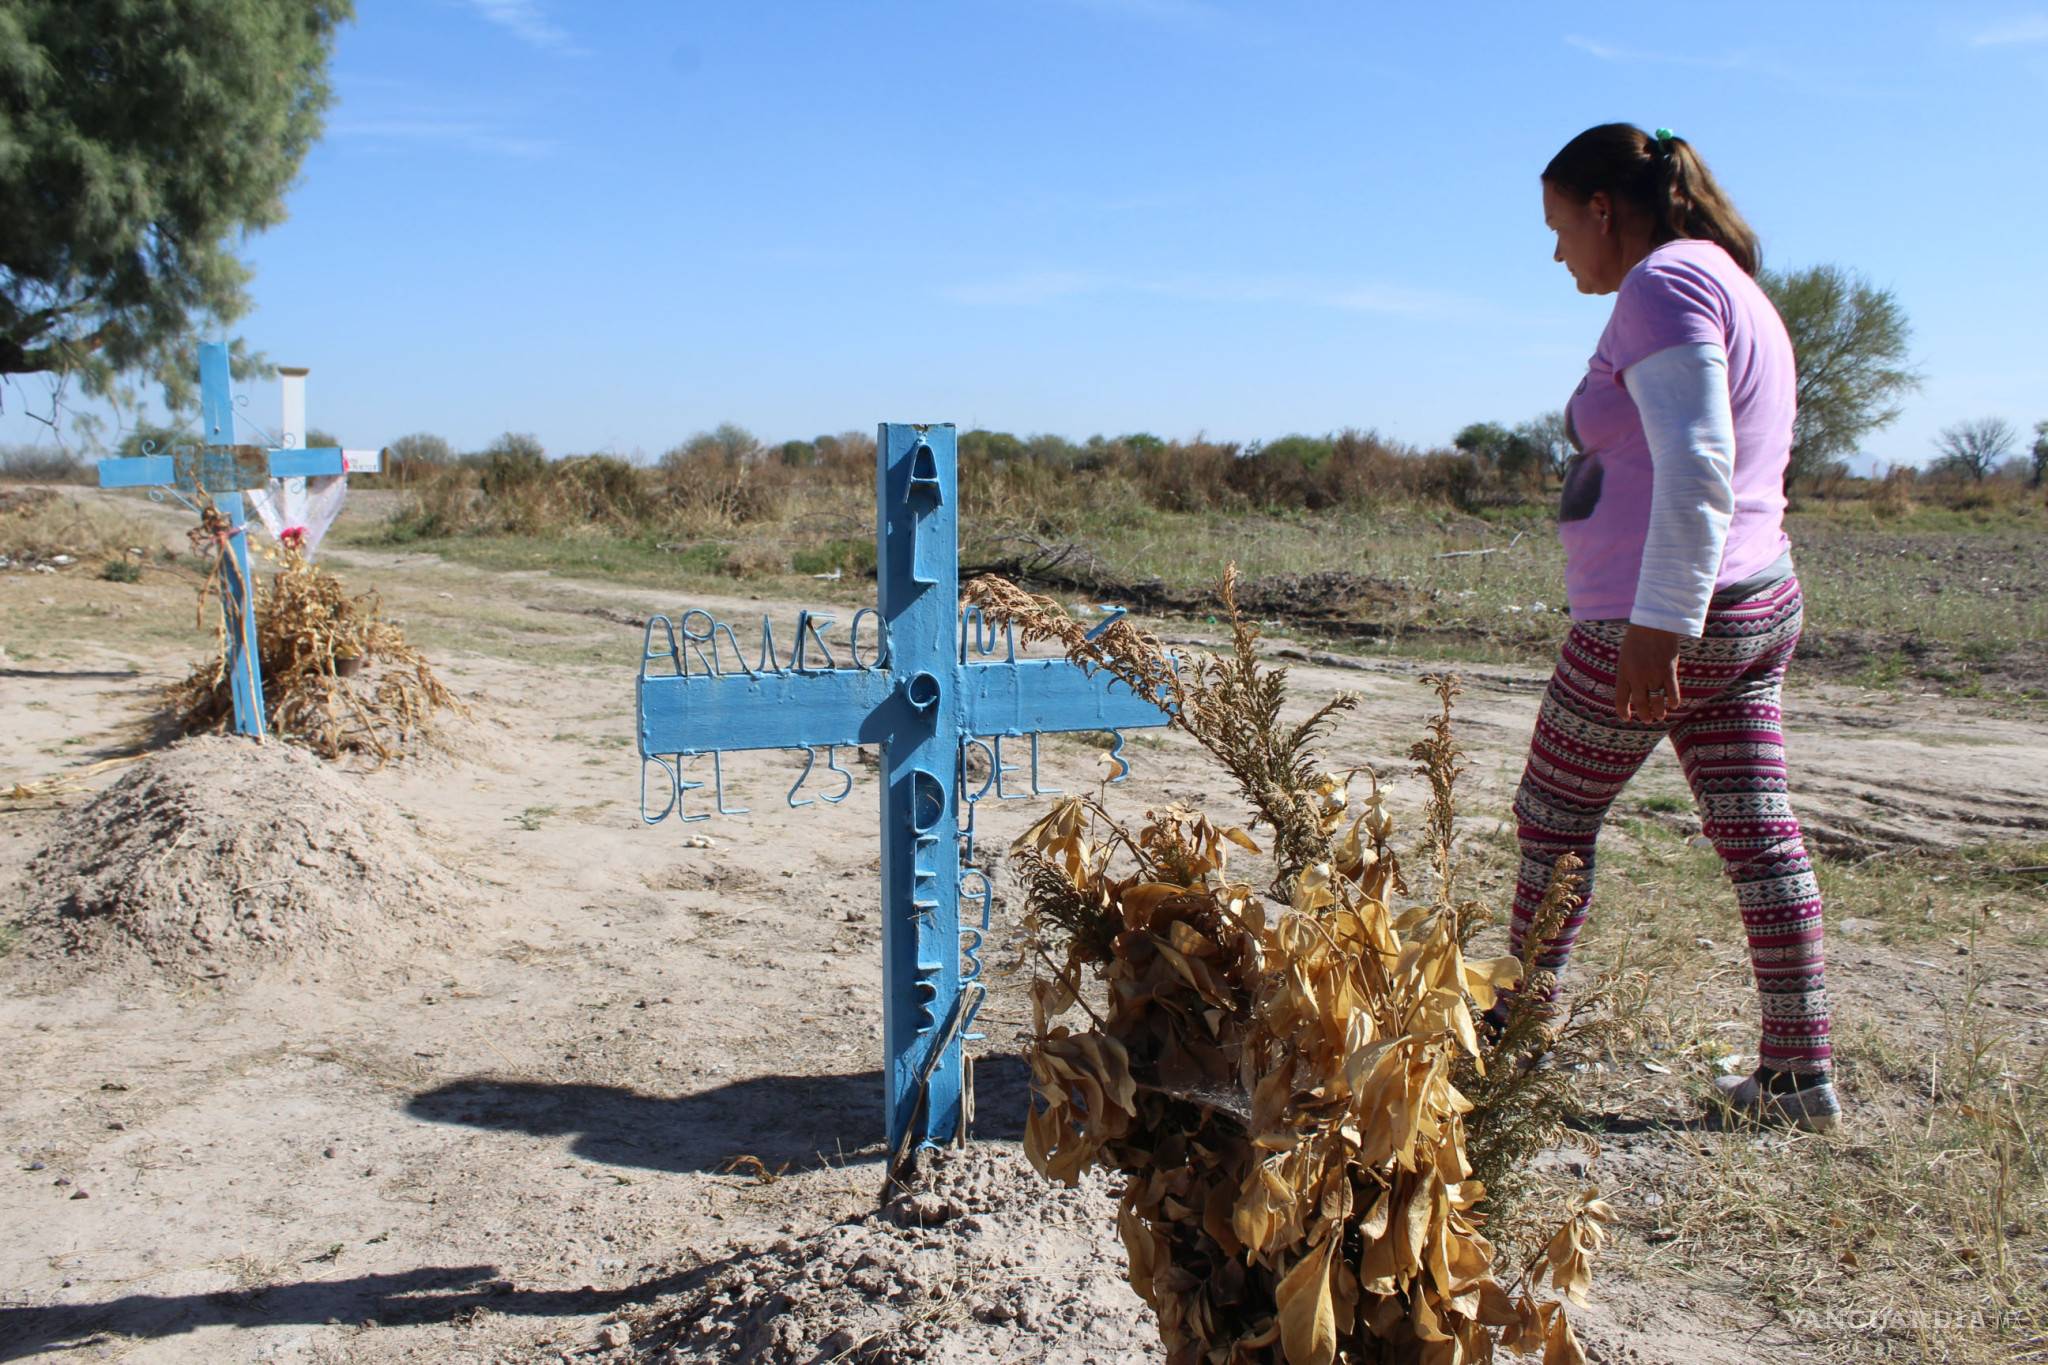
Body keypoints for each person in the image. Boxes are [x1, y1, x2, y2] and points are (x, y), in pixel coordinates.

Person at [1503, 122, 1837, 1131]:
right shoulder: (1730, 282)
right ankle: (1794, 1073)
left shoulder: (1663, 286)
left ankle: (1513, 1048)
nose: (1556, 250)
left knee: (1551, 823)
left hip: (1659, 619)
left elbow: (1696, 463)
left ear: (1603, 208)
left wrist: (1657, 625)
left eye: (1559, 226)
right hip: (1752, 595)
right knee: (1756, 834)